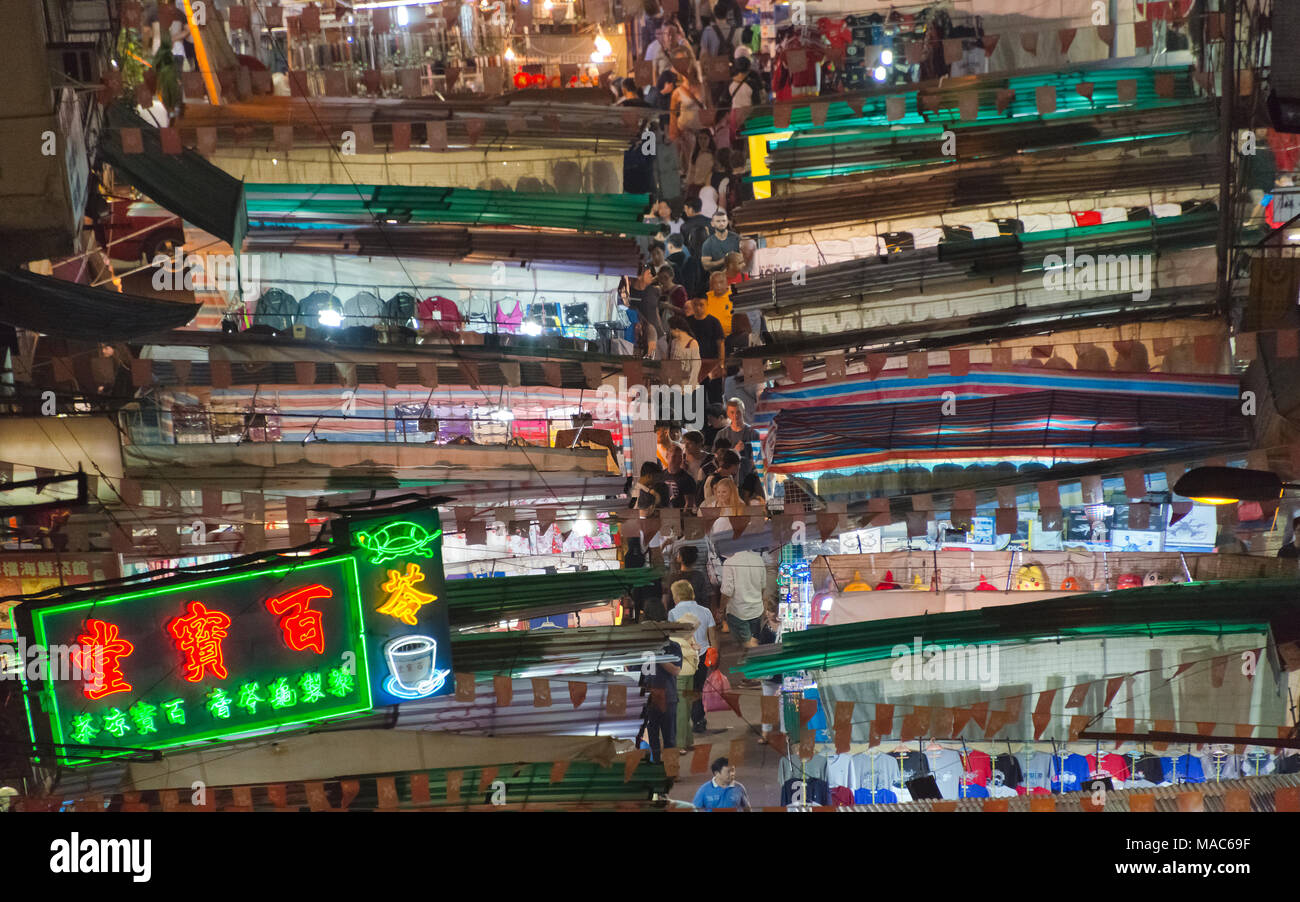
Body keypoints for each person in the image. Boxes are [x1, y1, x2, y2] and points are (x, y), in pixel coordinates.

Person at [641, 634, 682, 763]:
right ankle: (656, 768)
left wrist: (657, 657)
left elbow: (676, 670)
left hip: (668, 699)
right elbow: (635, 671)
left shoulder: (673, 646)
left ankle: (671, 771)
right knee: (652, 738)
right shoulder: (643, 647)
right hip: (648, 699)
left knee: (669, 738)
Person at [667, 609, 701, 751]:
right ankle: (679, 743)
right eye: (692, 628)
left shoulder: (688, 637)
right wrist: (694, 650)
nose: (694, 632)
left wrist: (694, 649)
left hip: (690, 674)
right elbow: (686, 652)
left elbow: (694, 650)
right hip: (680, 676)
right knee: (681, 710)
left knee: (687, 709)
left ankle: (687, 740)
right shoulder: (675, 638)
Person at [721, 547, 768, 648]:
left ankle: (751, 661)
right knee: (754, 642)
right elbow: (763, 586)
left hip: (738, 612)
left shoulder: (729, 563)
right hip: (757, 610)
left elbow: (727, 591)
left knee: (746, 647)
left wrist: (721, 610)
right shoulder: (758, 560)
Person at [687, 296, 726, 403]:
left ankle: (717, 417)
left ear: (707, 305)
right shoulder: (687, 322)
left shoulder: (714, 322)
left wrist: (721, 364)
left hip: (712, 364)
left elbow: (721, 344)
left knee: (715, 397)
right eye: (695, 305)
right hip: (693, 365)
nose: (698, 308)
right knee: (696, 399)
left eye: (701, 305)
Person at [720, 397, 761, 484]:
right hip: (727, 480)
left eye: (738, 412)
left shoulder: (754, 434)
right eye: (732, 412)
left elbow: (759, 460)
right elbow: (717, 458)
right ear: (727, 413)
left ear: (743, 411)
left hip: (749, 479)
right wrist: (735, 451)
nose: (735, 416)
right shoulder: (722, 435)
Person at [666, 315, 701, 385]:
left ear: (677, 329)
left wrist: (690, 387)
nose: (670, 331)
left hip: (688, 384)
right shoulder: (674, 342)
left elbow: (695, 367)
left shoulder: (692, 343)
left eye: (671, 329)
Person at [661, 444, 699, 509]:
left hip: (679, 516)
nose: (677, 460)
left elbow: (689, 504)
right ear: (667, 456)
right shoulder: (660, 476)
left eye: (680, 457)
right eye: (674, 456)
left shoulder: (687, 479)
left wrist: (682, 517)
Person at [703, 269, 734, 335]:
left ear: (726, 283)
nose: (718, 286)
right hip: (710, 336)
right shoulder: (706, 297)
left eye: (721, 282)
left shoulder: (734, 297)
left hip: (730, 337)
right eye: (715, 283)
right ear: (711, 285)